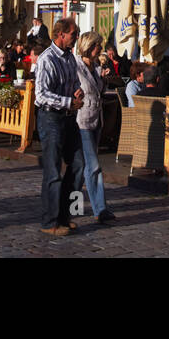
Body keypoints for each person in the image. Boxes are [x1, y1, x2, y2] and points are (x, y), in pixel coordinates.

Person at [34, 16, 85, 236]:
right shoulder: (47, 59)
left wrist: (77, 91)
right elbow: (41, 94)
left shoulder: (70, 58)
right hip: (50, 118)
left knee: (79, 165)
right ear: (60, 34)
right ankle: (50, 221)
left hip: (68, 117)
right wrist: (67, 101)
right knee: (53, 170)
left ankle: (68, 214)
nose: (76, 38)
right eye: (74, 34)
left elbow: (74, 83)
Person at [74, 31, 116, 225]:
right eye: (98, 45)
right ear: (89, 46)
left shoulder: (95, 67)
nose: (100, 48)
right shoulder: (76, 66)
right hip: (81, 121)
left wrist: (104, 79)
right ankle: (101, 209)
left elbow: (98, 91)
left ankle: (72, 207)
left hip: (96, 119)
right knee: (94, 166)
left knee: (82, 167)